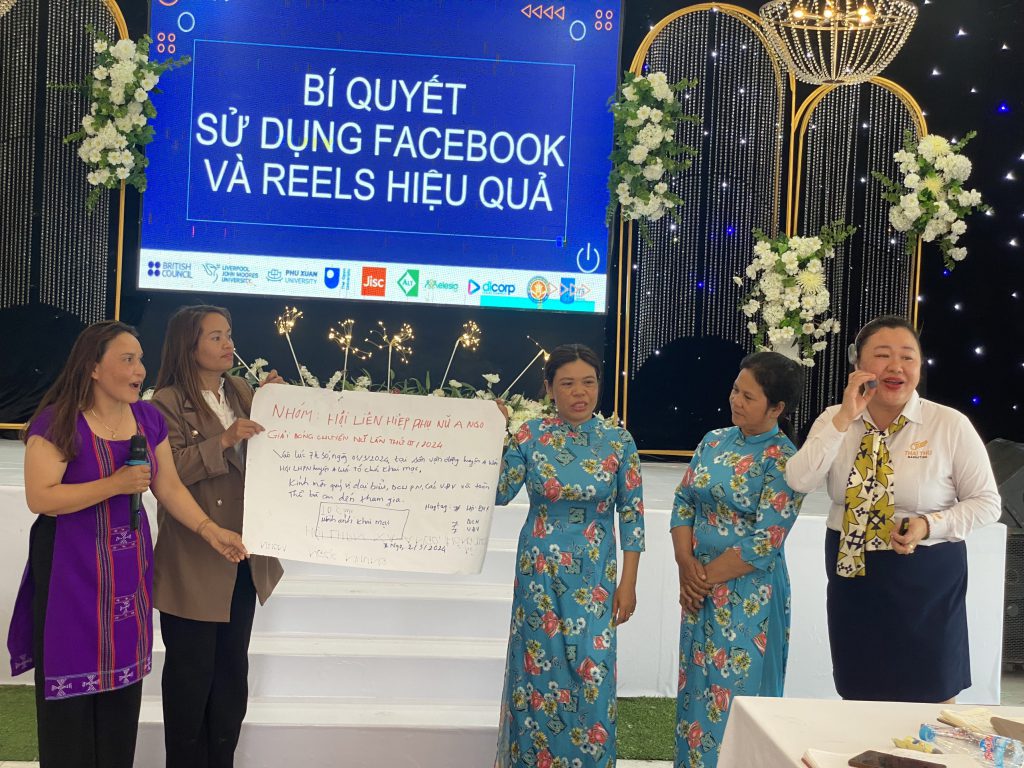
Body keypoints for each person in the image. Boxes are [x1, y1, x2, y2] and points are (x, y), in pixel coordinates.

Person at [6, 320, 247, 768]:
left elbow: (169, 487)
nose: (140, 370)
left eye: (141, 359)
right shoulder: (58, 421)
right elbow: (42, 498)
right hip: (69, 569)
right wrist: (114, 484)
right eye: (128, 359)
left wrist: (211, 530)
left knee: (122, 690)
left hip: (126, 570)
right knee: (69, 694)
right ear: (93, 367)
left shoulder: (148, 419)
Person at [785, 315, 1000, 703]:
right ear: (858, 363)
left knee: (931, 693)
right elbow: (799, 480)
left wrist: (928, 525)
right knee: (861, 690)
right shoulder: (835, 419)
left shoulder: (948, 424)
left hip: (927, 577)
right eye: (882, 355)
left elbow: (987, 503)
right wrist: (844, 418)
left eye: (907, 357)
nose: (896, 367)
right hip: (854, 575)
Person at [493, 344, 645, 768]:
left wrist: (628, 583)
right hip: (539, 576)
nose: (580, 393)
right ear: (549, 388)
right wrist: (492, 435)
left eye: (588, 382)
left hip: (595, 577)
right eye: (567, 384)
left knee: (592, 673)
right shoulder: (531, 435)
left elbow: (632, 517)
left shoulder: (619, 441)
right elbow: (500, 493)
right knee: (539, 675)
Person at [150, 305, 285, 768]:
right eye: (215, 337)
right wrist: (223, 441)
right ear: (188, 346)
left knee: (230, 676)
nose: (229, 344)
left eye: (229, 334)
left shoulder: (243, 390)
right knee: (190, 679)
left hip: (243, 555)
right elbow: (167, 473)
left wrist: (279, 407)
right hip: (194, 557)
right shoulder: (165, 402)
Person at [671, 351, 806, 768]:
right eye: (735, 390)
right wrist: (685, 565)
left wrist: (701, 579)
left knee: (736, 696)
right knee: (697, 692)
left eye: (748, 396)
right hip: (699, 588)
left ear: (777, 408)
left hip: (749, 596)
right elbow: (684, 501)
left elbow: (764, 542)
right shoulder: (714, 440)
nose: (736, 400)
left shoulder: (785, 460)